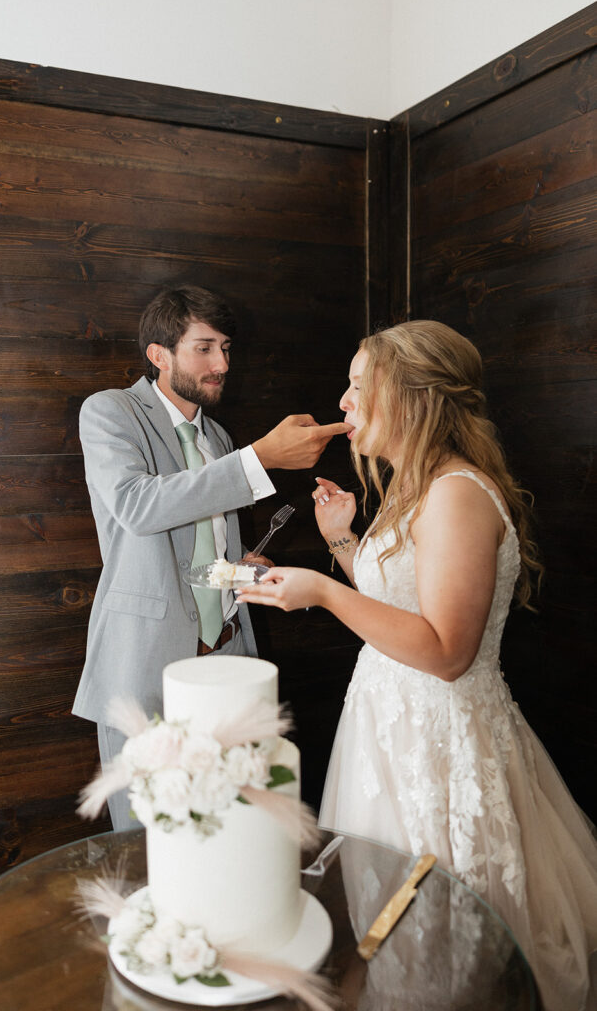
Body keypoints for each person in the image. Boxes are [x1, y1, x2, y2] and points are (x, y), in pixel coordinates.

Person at [237, 320, 597, 1010]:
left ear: (408, 396)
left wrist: (323, 591)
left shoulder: (457, 492)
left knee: (445, 947)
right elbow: (399, 608)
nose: (341, 403)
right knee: (392, 933)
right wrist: (342, 540)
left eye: (356, 386)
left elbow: (446, 651)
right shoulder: (414, 483)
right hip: (387, 733)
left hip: (438, 745)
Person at [72, 284, 347, 830]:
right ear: (159, 354)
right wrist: (262, 458)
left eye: (226, 348)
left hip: (229, 655)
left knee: (234, 829)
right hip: (146, 663)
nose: (221, 363)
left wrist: (245, 565)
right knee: (148, 838)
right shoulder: (109, 412)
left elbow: (199, 546)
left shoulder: (218, 436)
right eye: (204, 347)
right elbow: (138, 508)